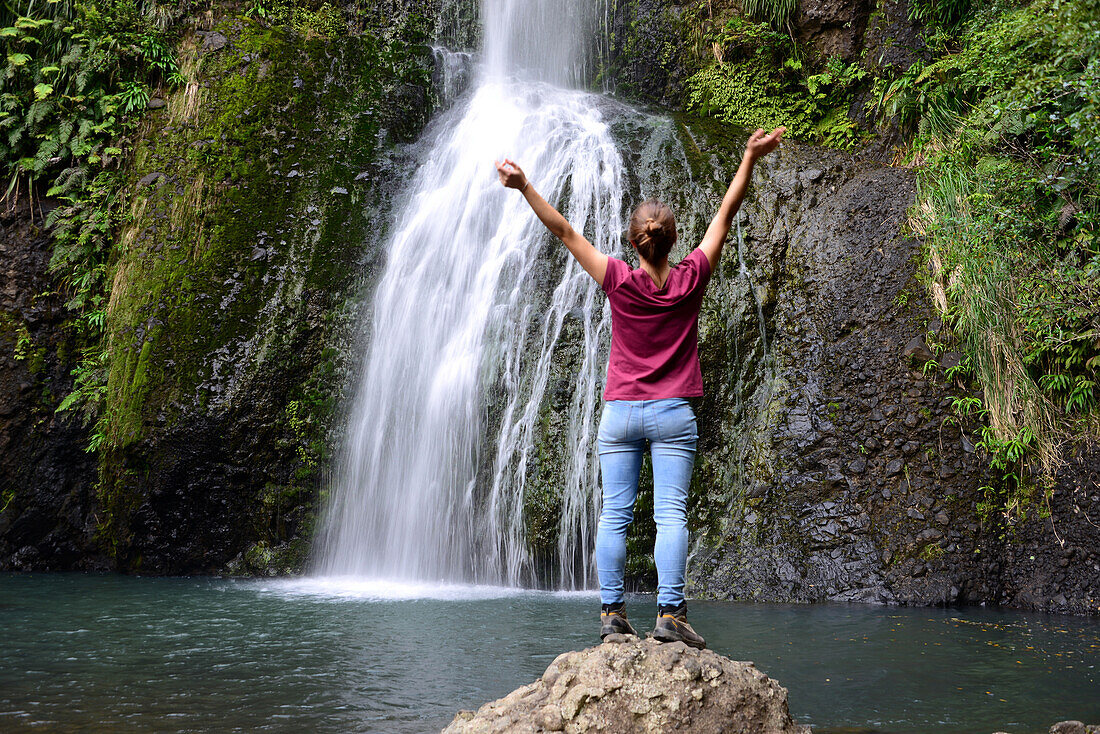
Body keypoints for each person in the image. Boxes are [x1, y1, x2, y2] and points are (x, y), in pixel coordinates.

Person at [495, 126, 785, 649]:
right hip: (674, 411)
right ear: (675, 240)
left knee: (614, 514)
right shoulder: (693, 274)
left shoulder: (617, 278)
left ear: (633, 242)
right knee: (670, 514)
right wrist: (749, 156)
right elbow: (726, 213)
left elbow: (564, 232)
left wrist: (524, 186)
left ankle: (612, 614)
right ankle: (670, 616)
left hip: (621, 411)